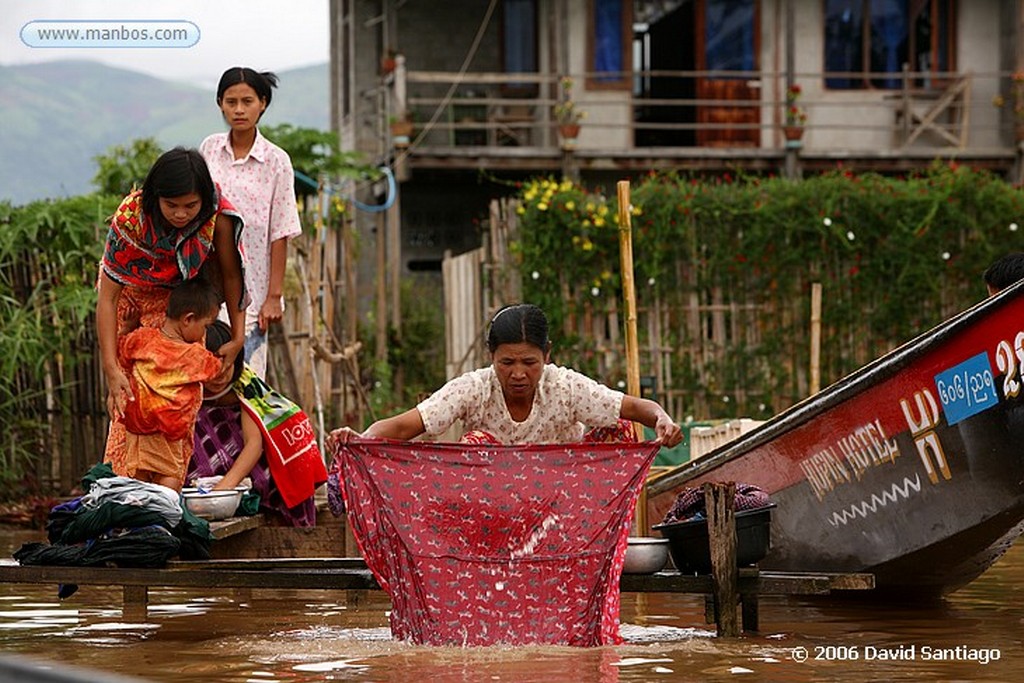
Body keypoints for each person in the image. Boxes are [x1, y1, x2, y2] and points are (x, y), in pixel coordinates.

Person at [330, 303, 683, 447]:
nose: (518, 374)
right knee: (475, 444)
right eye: (506, 363)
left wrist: (663, 420)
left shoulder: (565, 387)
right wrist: (360, 440)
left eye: (529, 363)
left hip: (561, 495)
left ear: (547, 355)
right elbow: (406, 426)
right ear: (491, 357)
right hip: (491, 501)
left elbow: (639, 409)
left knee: (620, 430)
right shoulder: (473, 388)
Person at [97, 146, 247, 481]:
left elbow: (231, 274)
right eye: (171, 205)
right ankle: (125, 483)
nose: (181, 215)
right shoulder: (129, 219)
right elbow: (108, 299)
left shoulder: (216, 215)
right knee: (133, 394)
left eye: (190, 206)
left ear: (203, 200)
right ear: (154, 197)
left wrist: (238, 337)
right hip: (131, 297)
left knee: (181, 391)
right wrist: (110, 367)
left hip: (180, 300)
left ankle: (171, 486)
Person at [199, 67, 303, 378]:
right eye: (231, 102)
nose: (239, 110)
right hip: (208, 289)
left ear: (263, 103)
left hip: (253, 294)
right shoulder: (209, 150)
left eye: (247, 101)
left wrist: (274, 296)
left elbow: (280, 231)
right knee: (205, 385)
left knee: (248, 384)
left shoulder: (276, 161)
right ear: (220, 103)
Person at [188, 321, 326, 527]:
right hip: (213, 458)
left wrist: (222, 490)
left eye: (227, 366)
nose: (220, 375)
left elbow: (255, 444)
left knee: (271, 480)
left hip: (251, 457)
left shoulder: (245, 385)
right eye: (213, 367)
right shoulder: (184, 386)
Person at [117, 278, 222, 492]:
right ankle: (162, 522)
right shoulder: (194, 355)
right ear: (188, 319)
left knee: (138, 487)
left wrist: (127, 328)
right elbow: (216, 370)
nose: (205, 334)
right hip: (170, 434)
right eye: (206, 326)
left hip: (138, 432)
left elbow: (121, 352)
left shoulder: (141, 340)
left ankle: (140, 523)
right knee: (169, 485)